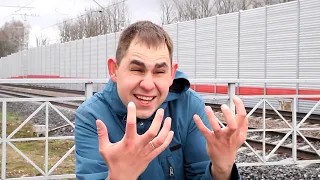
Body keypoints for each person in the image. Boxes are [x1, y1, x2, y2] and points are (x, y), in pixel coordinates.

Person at [74, 20, 248, 180]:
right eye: (137, 70)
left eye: (159, 72)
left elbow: (200, 173)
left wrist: (222, 170)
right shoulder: (91, 116)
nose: (148, 85)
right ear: (114, 69)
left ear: (172, 74)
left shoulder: (189, 106)